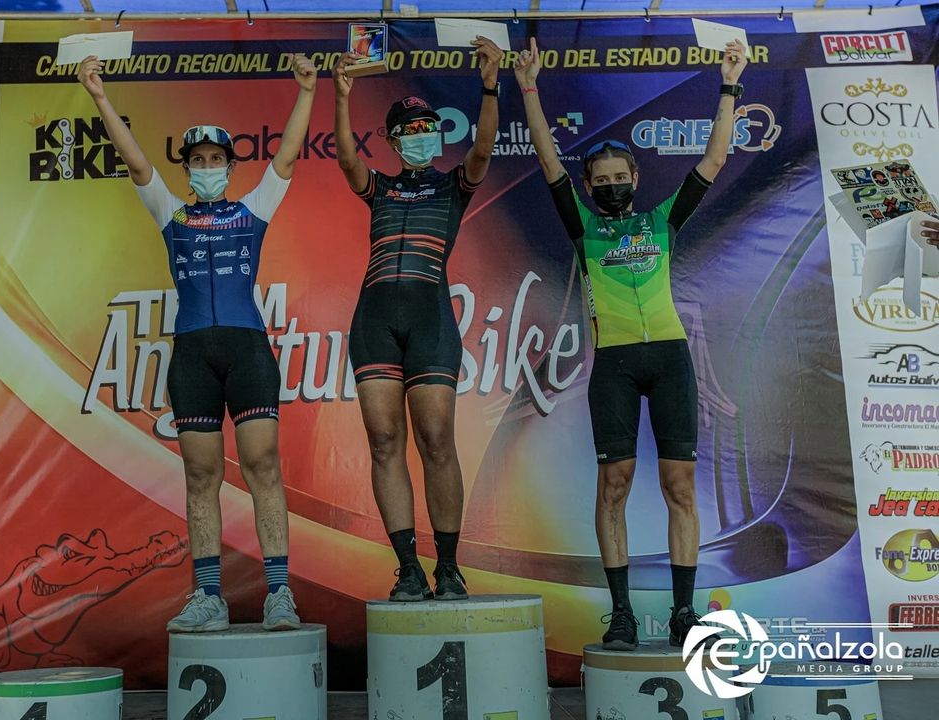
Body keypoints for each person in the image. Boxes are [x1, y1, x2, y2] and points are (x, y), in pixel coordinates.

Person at [514, 37, 748, 649]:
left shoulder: (661, 220)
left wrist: (729, 84)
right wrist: (529, 87)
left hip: (669, 357)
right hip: (615, 364)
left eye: (621, 177)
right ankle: (620, 614)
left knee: (679, 487)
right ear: (589, 187)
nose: (613, 186)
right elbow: (547, 160)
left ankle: (683, 613)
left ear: (636, 179)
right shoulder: (585, 227)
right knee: (613, 484)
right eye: (603, 181)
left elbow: (715, 158)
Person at [77, 53, 318, 632]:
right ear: (187, 168)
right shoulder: (171, 213)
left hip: (247, 350)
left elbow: (286, 158)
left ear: (229, 167)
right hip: (192, 356)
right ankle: (209, 597)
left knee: (262, 466)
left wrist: (307, 91)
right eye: (197, 160)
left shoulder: (253, 210)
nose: (207, 167)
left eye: (216, 159)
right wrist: (100, 97)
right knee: (200, 476)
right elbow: (136, 162)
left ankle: (279, 594)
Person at [333, 37, 503, 602]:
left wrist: (489, 84)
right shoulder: (379, 187)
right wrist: (341, 95)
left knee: (436, 441)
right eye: (409, 129)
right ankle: (408, 569)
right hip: (374, 320)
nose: (421, 134)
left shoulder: (453, 184)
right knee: (384, 441)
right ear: (393, 140)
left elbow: (484, 147)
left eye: (428, 126)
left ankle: (448, 567)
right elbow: (347, 160)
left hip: (430, 319)